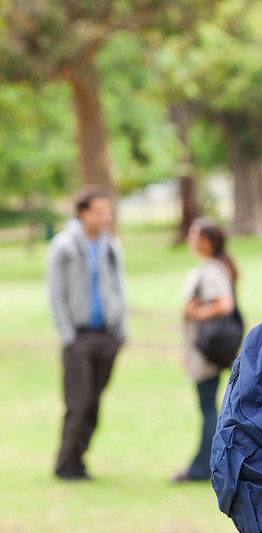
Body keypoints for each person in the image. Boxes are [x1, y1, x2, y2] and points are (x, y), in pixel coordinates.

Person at [47, 187, 126, 481]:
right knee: (77, 404)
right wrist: (68, 335)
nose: (105, 217)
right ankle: (65, 463)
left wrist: (121, 330)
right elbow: (55, 294)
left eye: (108, 211)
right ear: (83, 212)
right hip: (79, 338)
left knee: (93, 403)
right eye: (99, 211)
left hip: (107, 335)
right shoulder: (63, 246)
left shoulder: (111, 246)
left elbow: (120, 287)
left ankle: (77, 460)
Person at [172, 218, 237, 483]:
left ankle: (202, 467)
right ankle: (207, 464)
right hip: (207, 349)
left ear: (208, 241)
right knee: (210, 407)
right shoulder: (218, 267)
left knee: (209, 409)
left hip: (205, 350)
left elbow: (225, 305)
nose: (190, 241)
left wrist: (194, 311)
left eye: (195, 236)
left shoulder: (211, 271)